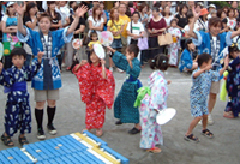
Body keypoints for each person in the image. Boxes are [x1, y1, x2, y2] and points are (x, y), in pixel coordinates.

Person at [17, 4, 88, 140]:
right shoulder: (33, 35)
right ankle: (39, 127)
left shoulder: (56, 35)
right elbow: (21, 30)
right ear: (38, 23)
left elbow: (69, 30)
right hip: (39, 69)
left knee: (52, 101)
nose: (44, 24)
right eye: (41, 22)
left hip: (53, 68)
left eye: (46, 22)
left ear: (50, 24)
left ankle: (50, 124)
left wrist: (77, 17)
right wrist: (20, 16)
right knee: (39, 102)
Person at [189, 8, 240, 125]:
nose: (217, 28)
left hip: (216, 70)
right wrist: (194, 19)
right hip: (203, 70)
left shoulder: (223, 36)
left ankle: (208, 114)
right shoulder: (203, 35)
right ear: (209, 26)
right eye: (215, 26)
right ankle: (200, 114)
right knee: (202, 93)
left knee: (213, 94)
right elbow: (190, 33)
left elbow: (236, 33)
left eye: (219, 26)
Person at [0, 48, 42, 146]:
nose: (18, 61)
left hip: (24, 99)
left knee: (24, 117)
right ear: (12, 60)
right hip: (13, 100)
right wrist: (1, 71)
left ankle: (22, 136)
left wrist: (38, 60)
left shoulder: (26, 70)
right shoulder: (9, 71)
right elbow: (5, 82)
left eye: (20, 58)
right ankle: (7, 135)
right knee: (11, 118)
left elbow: (33, 72)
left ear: (24, 59)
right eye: (15, 58)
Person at [185, 54, 228, 142]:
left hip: (204, 98)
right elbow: (195, 75)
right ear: (204, 63)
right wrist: (203, 69)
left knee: (205, 114)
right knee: (198, 117)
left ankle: (204, 129)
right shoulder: (197, 72)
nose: (211, 64)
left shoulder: (209, 73)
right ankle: (188, 133)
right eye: (209, 62)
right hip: (196, 99)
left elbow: (217, 74)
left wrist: (224, 67)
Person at [72, 49, 115, 136]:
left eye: (95, 54)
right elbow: (75, 71)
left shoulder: (102, 68)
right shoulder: (87, 66)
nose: (93, 56)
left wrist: (103, 65)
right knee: (89, 110)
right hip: (90, 93)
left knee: (100, 110)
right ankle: (89, 126)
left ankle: (99, 127)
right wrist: (79, 65)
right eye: (91, 54)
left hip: (100, 93)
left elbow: (105, 77)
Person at [136, 55, 170, 153]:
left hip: (148, 103)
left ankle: (152, 143)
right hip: (153, 105)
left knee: (150, 125)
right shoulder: (160, 79)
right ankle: (149, 146)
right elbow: (157, 94)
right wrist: (156, 108)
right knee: (150, 126)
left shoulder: (155, 75)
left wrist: (165, 82)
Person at [107, 44, 142, 135]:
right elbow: (121, 57)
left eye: (127, 53)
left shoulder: (136, 62)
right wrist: (113, 51)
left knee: (133, 105)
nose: (126, 55)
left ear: (132, 54)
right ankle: (122, 117)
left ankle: (136, 126)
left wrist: (130, 63)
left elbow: (136, 72)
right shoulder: (128, 59)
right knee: (119, 100)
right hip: (126, 84)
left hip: (133, 86)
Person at [2, 2, 21, 69]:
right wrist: (14, 28)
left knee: (17, 57)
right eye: (11, 7)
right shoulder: (4, 17)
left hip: (17, 41)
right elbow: (3, 29)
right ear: (8, 8)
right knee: (8, 59)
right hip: (7, 41)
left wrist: (9, 28)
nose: (13, 8)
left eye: (14, 6)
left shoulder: (18, 16)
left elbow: (20, 28)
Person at [66, 6, 86, 70]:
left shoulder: (82, 20)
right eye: (74, 11)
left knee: (79, 52)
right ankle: (69, 65)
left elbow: (81, 29)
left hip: (78, 38)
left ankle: (81, 65)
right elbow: (67, 27)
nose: (75, 12)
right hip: (70, 38)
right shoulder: (69, 18)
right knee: (69, 52)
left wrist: (72, 32)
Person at [223, 44, 240, 118]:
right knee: (233, 97)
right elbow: (227, 67)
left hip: (237, 81)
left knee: (236, 97)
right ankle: (233, 112)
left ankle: (235, 112)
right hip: (232, 82)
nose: (238, 54)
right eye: (235, 53)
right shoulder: (232, 61)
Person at [107, 8, 124, 72]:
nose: (116, 14)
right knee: (111, 53)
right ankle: (111, 67)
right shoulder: (110, 21)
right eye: (115, 12)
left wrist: (118, 32)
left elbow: (122, 29)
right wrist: (112, 32)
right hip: (112, 39)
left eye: (117, 12)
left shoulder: (121, 21)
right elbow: (108, 30)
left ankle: (119, 66)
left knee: (118, 53)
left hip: (119, 38)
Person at [23, 2, 38, 67]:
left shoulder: (37, 17)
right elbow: (31, 26)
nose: (35, 9)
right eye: (33, 8)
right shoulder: (26, 17)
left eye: (35, 8)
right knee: (28, 55)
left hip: (37, 38)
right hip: (28, 38)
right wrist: (35, 19)